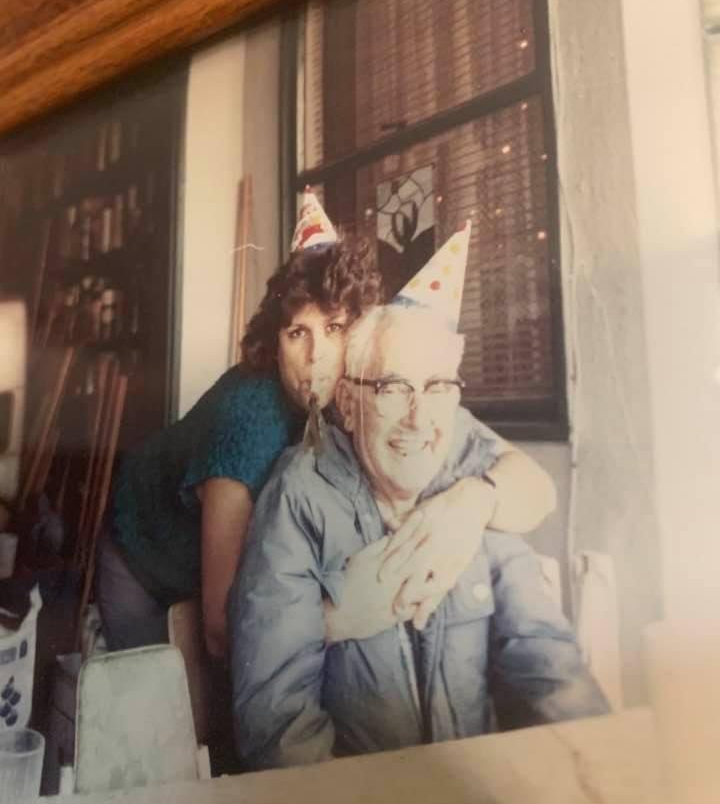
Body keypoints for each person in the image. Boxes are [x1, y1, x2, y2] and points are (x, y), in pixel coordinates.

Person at [97, 200, 555, 658]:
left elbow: (535, 485)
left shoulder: (377, 389)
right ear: (274, 343)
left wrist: (475, 499)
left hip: (240, 574)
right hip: (146, 555)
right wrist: (343, 615)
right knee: (157, 687)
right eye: (298, 333)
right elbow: (220, 629)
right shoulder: (248, 420)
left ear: (361, 332)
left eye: (334, 327)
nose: (316, 356)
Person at [229, 226, 608, 770]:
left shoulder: (465, 461)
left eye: (437, 388)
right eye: (392, 388)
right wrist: (327, 622)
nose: (418, 416)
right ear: (349, 402)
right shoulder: (298, 490)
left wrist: (598, 767)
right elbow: (277, 724)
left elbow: (546, 661)